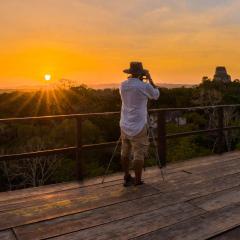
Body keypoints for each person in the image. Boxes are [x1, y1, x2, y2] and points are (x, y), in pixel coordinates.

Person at [119, 62, 160, 187]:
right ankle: (137, 181)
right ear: (141, 73)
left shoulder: (122, 85)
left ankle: (126, 176)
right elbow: (156, 95)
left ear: (130, 72)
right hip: (139, 125)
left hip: (125, 123)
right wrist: (150, 79)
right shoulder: (144, 86)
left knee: (125, 151)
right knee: (139, 153)